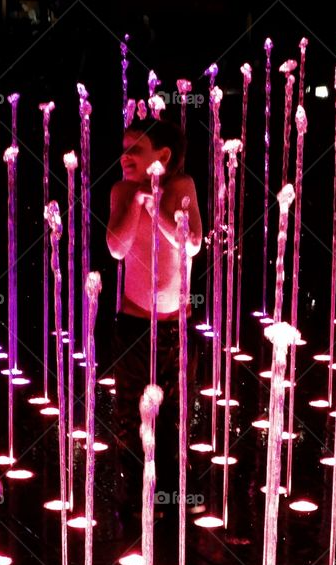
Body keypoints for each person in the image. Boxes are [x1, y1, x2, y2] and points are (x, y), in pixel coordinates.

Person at [103, 117, 203, 538]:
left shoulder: (182, 189)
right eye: (123, 148)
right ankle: (133, 499)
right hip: (132, 325)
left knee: (175, 415)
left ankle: (174, 499)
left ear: (161, 157)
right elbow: (115, 247)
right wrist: (135, 202)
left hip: (174, 328)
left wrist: (156, 204)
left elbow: (192, 241)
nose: (124, 156)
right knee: (129, 416)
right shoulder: (122, 191)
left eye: (135, 150)